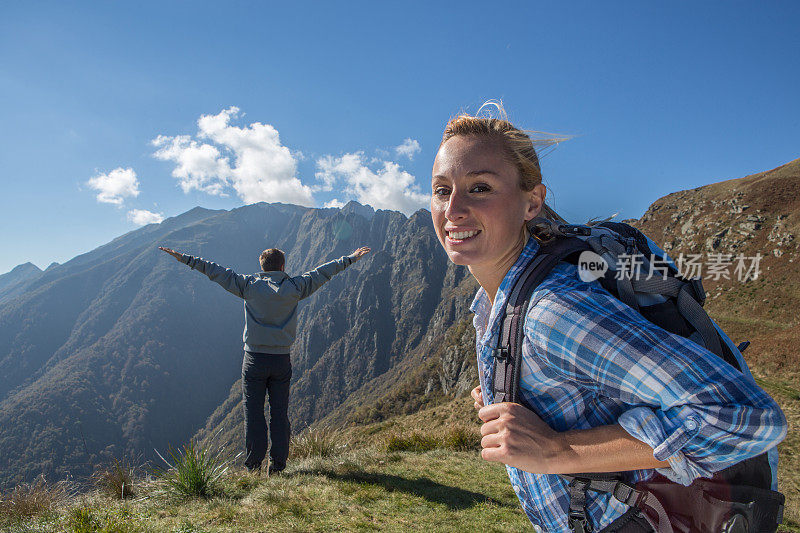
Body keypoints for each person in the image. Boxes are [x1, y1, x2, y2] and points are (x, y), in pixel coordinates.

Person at [429, 108, 786, 531]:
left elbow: (746, 416)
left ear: (532, 203)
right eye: (441, 189)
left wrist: (558, 451)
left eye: (480, 188)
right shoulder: (496, 305)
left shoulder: (550, 312)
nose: (453, 209)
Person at [159, 244, 370, 474]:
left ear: (262, 267)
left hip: (254, 360)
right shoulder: (296, 287)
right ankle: (277, 467)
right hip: (281, 361)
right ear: (282, 266)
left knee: (253, 414)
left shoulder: (249, 286)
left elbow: (215, 271)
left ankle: (252, 466)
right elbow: (323, 272)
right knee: (279, 415)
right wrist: (350, 258)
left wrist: (185, 259)